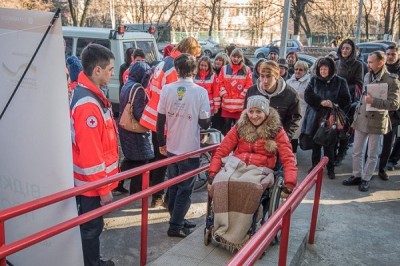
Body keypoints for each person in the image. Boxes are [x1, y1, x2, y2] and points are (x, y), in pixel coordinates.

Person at [208, 95, 297, 251]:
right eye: (251, 111)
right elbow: (222, 149)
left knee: (250, 187)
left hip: (261, 168)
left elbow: (288, 157)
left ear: (266, 112)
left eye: (258, 112)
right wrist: (212, 172)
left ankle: (238, 234)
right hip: (237, 164)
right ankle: (221, 228)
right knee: (221, 181)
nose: (254, 116)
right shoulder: (240, 126)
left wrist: (289, 183)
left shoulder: (276, 130)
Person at [69, 44, 118, 266]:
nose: (113, 73)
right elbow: (91, 156)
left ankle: (93, 261)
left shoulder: (89, 94)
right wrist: (104, 189)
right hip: (90, 185)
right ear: (97, 70)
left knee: (92, 228)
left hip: (90, 183)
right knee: (91, 229)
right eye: (110, 69)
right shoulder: (88, 105)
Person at [141, 37, 202, 207]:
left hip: (154, 117)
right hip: (167, 121)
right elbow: (178, 97)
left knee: (158, 160)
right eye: (194, 56)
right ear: (189, 52)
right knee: (167, 161)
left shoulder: (164, 62)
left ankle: (157, 195)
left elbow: (149, 89)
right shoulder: (176, 67)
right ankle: (161, 196)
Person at [156, 53, 211, 238]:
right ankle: (175, 225)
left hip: (172, 146)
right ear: (194, 70)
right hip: (190, 148)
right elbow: (205, 123)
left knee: (173, 185)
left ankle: (178, 218)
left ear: (177, 70)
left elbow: (160, 119)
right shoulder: (200, 92)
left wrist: (161, 143)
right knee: (185, 189)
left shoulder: (167, 89)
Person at [342, 51, 400, 192]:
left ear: (380, 63)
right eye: (367, 61)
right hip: (362, 118)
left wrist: (375, 101)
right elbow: (363, 97)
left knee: (372, 153)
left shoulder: (391, 80)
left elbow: (395, 104)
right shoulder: (368, 75)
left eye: (371, 62)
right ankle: (357, 175)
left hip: (377, 120)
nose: (367, 64)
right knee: (356, 150)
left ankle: (366, 178)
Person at [303, 57, 351, 179]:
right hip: (315, 117)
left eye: (326, 68)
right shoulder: (314, 80)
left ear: (331, 69)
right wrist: (320, 102)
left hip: (331, 117)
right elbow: (307, 96)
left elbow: (346, 100)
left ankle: (330, 168)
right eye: (321, 69)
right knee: (315, 144)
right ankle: (315, 166)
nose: (323, 71)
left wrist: (333, 104)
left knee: (330, 145)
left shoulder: (340, 81)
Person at [245, 60, 301, 145]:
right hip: (254, 140)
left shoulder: (291, 95)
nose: (265, 80)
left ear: (277, 76)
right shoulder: (252, 91)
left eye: (269, 76)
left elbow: (294, 120)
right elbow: (245, 114)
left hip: (277, 142)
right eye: (262, 76)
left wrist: (284, 140)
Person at [119, 61, 154, 194]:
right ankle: (136, 191)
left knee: (130, 159)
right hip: (135, 131)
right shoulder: (138, 89)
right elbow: (140, 115)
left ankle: (117, 182)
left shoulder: (127, 84)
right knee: (141, 162)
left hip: (125, 128)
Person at [334, 39, 364, 166]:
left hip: (350, 100)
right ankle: (332, 153)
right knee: (334, 127)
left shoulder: (358, 65)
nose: (345, 51)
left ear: (352, 51)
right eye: (343, 48)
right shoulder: (336, 63)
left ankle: (341, 153)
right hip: (335, 99)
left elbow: (359, 84)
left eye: (348, 49)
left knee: (345, 129)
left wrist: (343, 86)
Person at [376, 45, 400, 180]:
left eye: (393, 54)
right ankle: (368, 165)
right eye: (388, 54)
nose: (390, 57)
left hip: (394, 114)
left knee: (388, 142)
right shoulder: (380, 69)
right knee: (372, 142)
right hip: (377, 109)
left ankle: (383, 167)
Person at [216, 48, 253, 135]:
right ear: (230, 57)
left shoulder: (247, 69)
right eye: (233, 56)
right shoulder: (224, 69)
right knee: (227, 128)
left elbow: (249, 84)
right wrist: (224, 93)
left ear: (241, 58)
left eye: (238, 57)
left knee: (238, 128)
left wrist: (242, 95)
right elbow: (220, 83)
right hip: (227, 105)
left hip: (240, 106)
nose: (235, 59)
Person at [286, 61, 311, 163]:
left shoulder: (309, 82)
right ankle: (290, 156)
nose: (298, 71)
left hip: (303, 110)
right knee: (290, 134)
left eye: (301, 70)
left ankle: (293, 156)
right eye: (296, 69)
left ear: (305, 71)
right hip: (290, 111)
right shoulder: (288, 81)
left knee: (296, 134)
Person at [212, 52, 230, 131]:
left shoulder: (226, 73)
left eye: (220, 60)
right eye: (217, 59)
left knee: (222, 124)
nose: (218, 62)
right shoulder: (212, 72)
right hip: (214, 102)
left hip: (223, 102)